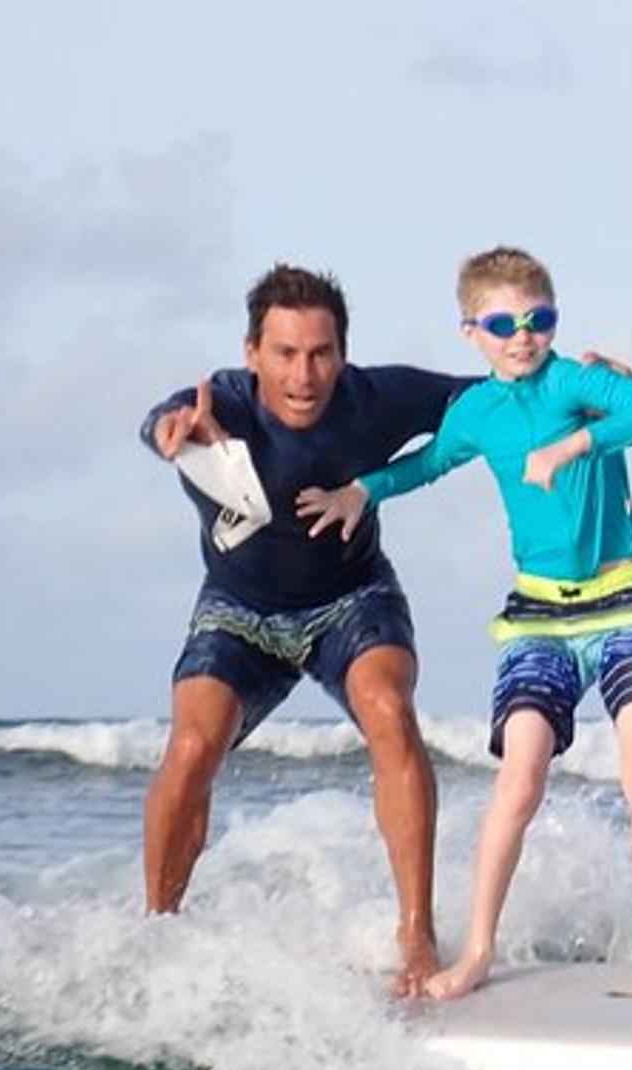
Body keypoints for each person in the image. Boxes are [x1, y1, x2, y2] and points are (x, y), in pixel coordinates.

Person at [296, 247, 632, 1000]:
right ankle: (478, 950)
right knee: (519, 777)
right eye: (502, 323)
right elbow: (428, 463)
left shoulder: (577, 383)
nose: (522, 336)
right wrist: (362, 489)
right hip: (538, 615)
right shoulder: (477, 411)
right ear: (470, 333)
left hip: (628, 602)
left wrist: (579, 437)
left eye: (537, 319)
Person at [139, 264, 469, 996]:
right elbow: (162, 420)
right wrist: (173, 430)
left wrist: (587, 384)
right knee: (192, 747)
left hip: (352, 599)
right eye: (285, 353)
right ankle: (158, 929)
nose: (304, 374)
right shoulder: (220, 402)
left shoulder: (377, 398)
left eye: (321, 353)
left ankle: (416, 935)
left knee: (389, 710)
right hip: (237, 610)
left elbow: (503, 400)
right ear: (253, 352)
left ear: (342, 354)